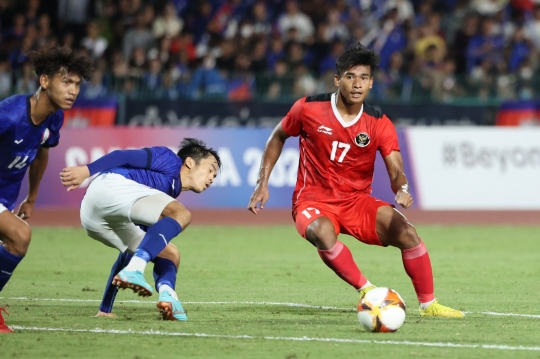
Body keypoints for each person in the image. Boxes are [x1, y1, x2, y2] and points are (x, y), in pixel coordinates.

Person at [247, 41, 464, 318]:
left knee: (407, 232)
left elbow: (396, 170)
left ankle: (429, 305)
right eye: (350, 76)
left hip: (356, 202)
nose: (357, 84)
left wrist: (403, 188)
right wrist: (262, 182)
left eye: (364, 77)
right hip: (313, 201)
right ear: (338, 79)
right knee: (323, 232)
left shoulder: (378, 123)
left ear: (372, 83)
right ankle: (368, 291)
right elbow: (278, 136)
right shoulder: (308, 109)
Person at [60, 138, 221, 321]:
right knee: (182, 215)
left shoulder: (159, 198)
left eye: (215, 176)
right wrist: (87, 170)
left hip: (93, 220)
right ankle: (137, 269)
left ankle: (168, 296)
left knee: (170, 254)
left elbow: (127, 254)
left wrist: (105, 307)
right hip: (110, 185)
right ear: (190, 162)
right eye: (210, 170)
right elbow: (124, 156)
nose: (212, 178)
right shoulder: (170, 160)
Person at [0, 47, 94, 333]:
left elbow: (41, 153)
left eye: (77, 84)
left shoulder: (54, 118)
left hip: (6, 198)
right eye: (66, 82)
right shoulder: (9, 115)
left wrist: (32, 196)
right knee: (20, 236)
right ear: (44, 81)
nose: (73, 90)